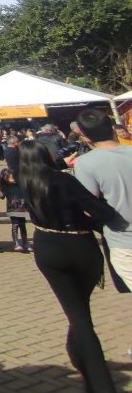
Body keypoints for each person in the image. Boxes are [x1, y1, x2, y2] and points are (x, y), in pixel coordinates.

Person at [18, 140, 123, 393]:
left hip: (47, 247)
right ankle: (102, 386)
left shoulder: (25, 180)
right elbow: (101, 211)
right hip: (78, 244)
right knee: (81, 315)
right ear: (46, 155)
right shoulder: (62, 180)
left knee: (77, 312)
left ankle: (78, 356)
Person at [72, 108, 132, 290]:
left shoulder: (85, 163)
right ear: (113, 128)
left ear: (85, 136)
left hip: (124, 240)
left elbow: (88, 206)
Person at [0, 168, 28, 252]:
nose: (13, 179)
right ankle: (16, 243)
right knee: (15, 224)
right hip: (12, 208)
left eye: (14, 177)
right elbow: (1, 197)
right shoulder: (5, 186)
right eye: (11, 178)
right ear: (5, 179)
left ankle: (25, 243)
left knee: (22, 224)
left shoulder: (20, 184)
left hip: (22, 208)